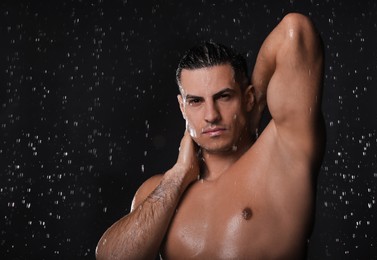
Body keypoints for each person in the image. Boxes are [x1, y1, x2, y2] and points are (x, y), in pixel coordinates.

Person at [96, 12, 325, 259]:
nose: (211, 115)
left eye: (223, 96)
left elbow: (296, 30)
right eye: (195, 101)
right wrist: (178, 176)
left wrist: (256, 108)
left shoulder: (283, 154)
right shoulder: (160, 190)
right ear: (182, 107)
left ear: (246, 97)